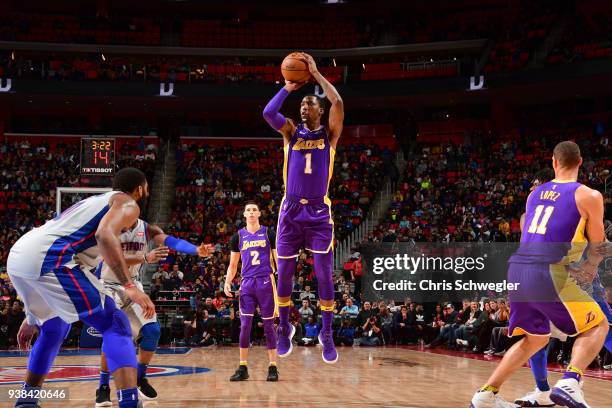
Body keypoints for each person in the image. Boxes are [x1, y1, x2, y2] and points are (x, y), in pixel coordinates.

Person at [471, 141, 608, 408]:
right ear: (580, 162)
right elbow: (598, 244)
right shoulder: (589, 195)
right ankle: (570, 381)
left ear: (554, 163)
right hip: (549, 270)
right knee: (599, 324)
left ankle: (486, 395)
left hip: (518, 269)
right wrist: (590, 269)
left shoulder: (534, 194)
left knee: (536, 337)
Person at [9, 167, 156, 408]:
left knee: (54, 326)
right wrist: (129, 285)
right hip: (50, 259)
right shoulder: (128, 203)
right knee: (115, 323)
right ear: (140, 189)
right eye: (146, 189)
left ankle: (27, 401)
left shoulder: (95, 203)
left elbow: (88, 254)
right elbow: (104, 235)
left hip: (20, 256)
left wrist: (33, 314)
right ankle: (129, 403)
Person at [263, 52, 344, 364]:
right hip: (291, 212)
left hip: (319, 214)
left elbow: (338, 103)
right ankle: (284, 329)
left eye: (310, 104)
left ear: (320, 111)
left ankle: (327, 333)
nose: (304, 107)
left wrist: (316, 74)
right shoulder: (290, 132)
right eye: (302, 105)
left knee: (324, 275)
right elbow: (268, 112)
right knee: (284, 276)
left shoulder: (329, 135)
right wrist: (288, 87)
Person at [95, 218, 212, 405]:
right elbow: (111, 257)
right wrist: (144, 258)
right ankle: (103, 387)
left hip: (133, 285)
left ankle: (140, 377)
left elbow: (170, 240)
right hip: (108, 286)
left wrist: (196, 250)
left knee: (152, 331)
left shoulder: (145, 227)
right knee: (113, 335)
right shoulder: (108, 226)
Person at [224, 202, 279, 382]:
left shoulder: (268, 233)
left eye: (255, 209)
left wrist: (284, 279)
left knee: (269, 325)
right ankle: (242, 367)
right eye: (248, 210)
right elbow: (233, 265)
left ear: (260, 213)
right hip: (247, 283)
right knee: (245, 325)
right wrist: (227, 281)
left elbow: (278, 260)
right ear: (244, 215)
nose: (252, 212)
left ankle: (273, 367)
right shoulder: (238, 237)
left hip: (265, 281)